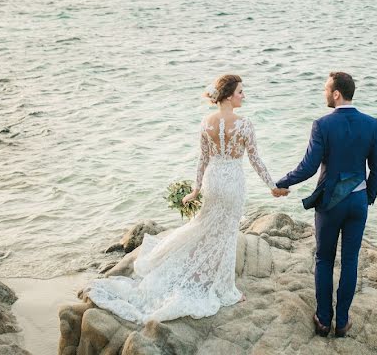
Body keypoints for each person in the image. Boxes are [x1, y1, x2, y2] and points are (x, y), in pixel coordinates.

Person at [81, 74, 283, 323]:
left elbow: (203, 159)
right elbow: (255, 160)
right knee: (227, 233)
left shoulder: (206, 122)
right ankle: (225, 289)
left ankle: (200, 273)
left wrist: (196, 189)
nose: (244, 95)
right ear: (229, 95)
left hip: (212, 180)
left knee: (203, 226)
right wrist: (272, 186)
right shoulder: (244, 124)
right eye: (241, 91)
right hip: (232, 182)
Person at [274, 71, 377, 338]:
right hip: (358, 202)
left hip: (330, 205)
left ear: (336, 93)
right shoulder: (372, 123)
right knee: (349, 261)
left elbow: (309, 166)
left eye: (326, 88)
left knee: (324, 259)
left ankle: (324, 320)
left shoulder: (322, 125)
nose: (324, 92)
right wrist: (367, 196)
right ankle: (343, 322)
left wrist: (283, 182)